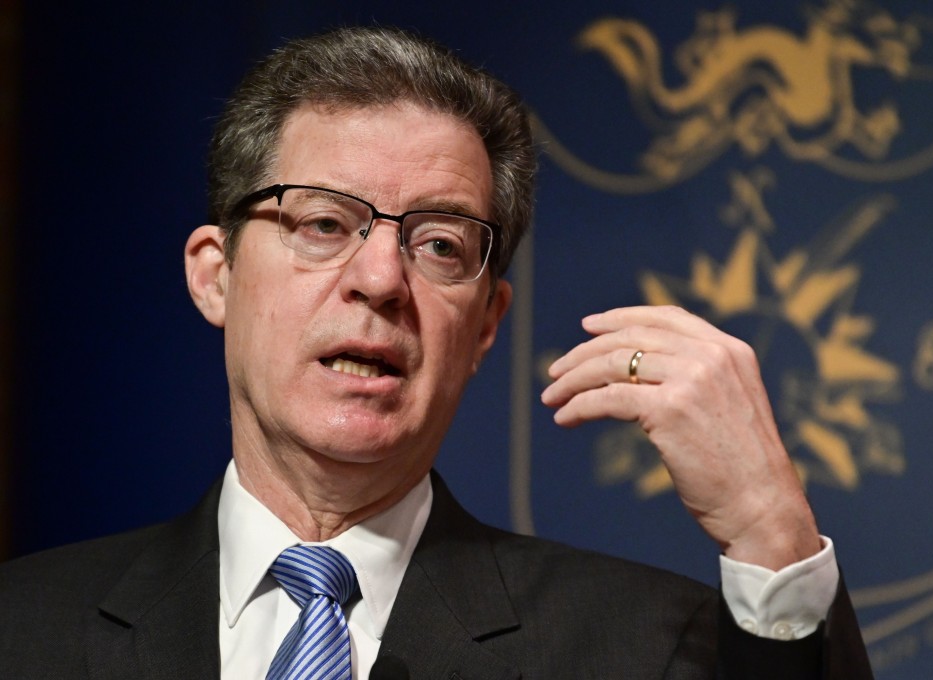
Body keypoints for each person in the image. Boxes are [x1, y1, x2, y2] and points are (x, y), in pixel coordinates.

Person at [0, 25, 872, 679]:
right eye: (324, 222)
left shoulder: (650, 647)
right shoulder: (23, 629)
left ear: (486, 324)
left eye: (440, 245)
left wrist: (772, 528)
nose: (381, 278)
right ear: (215, 275)